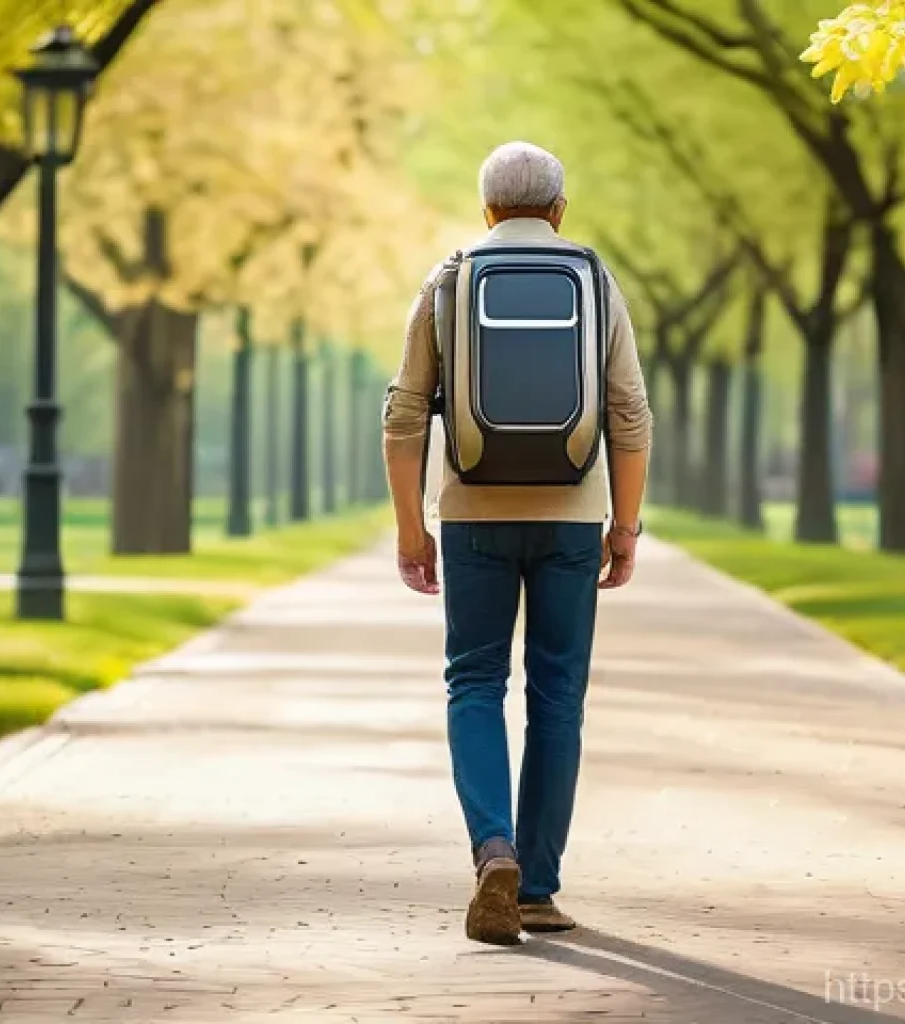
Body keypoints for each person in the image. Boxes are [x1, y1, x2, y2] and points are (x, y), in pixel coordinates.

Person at [382, 141, 652, 946]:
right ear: (559, 210)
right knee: (557, 695)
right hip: (572, 515)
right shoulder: (594, 280)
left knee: (474, 682)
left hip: (472, 514)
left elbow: (402, 415)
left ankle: (491, 848)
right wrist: (625, 526)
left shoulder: (449, 281)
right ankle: (535, 888)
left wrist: (411, 528)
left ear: (488, 211)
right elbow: (630, 414)